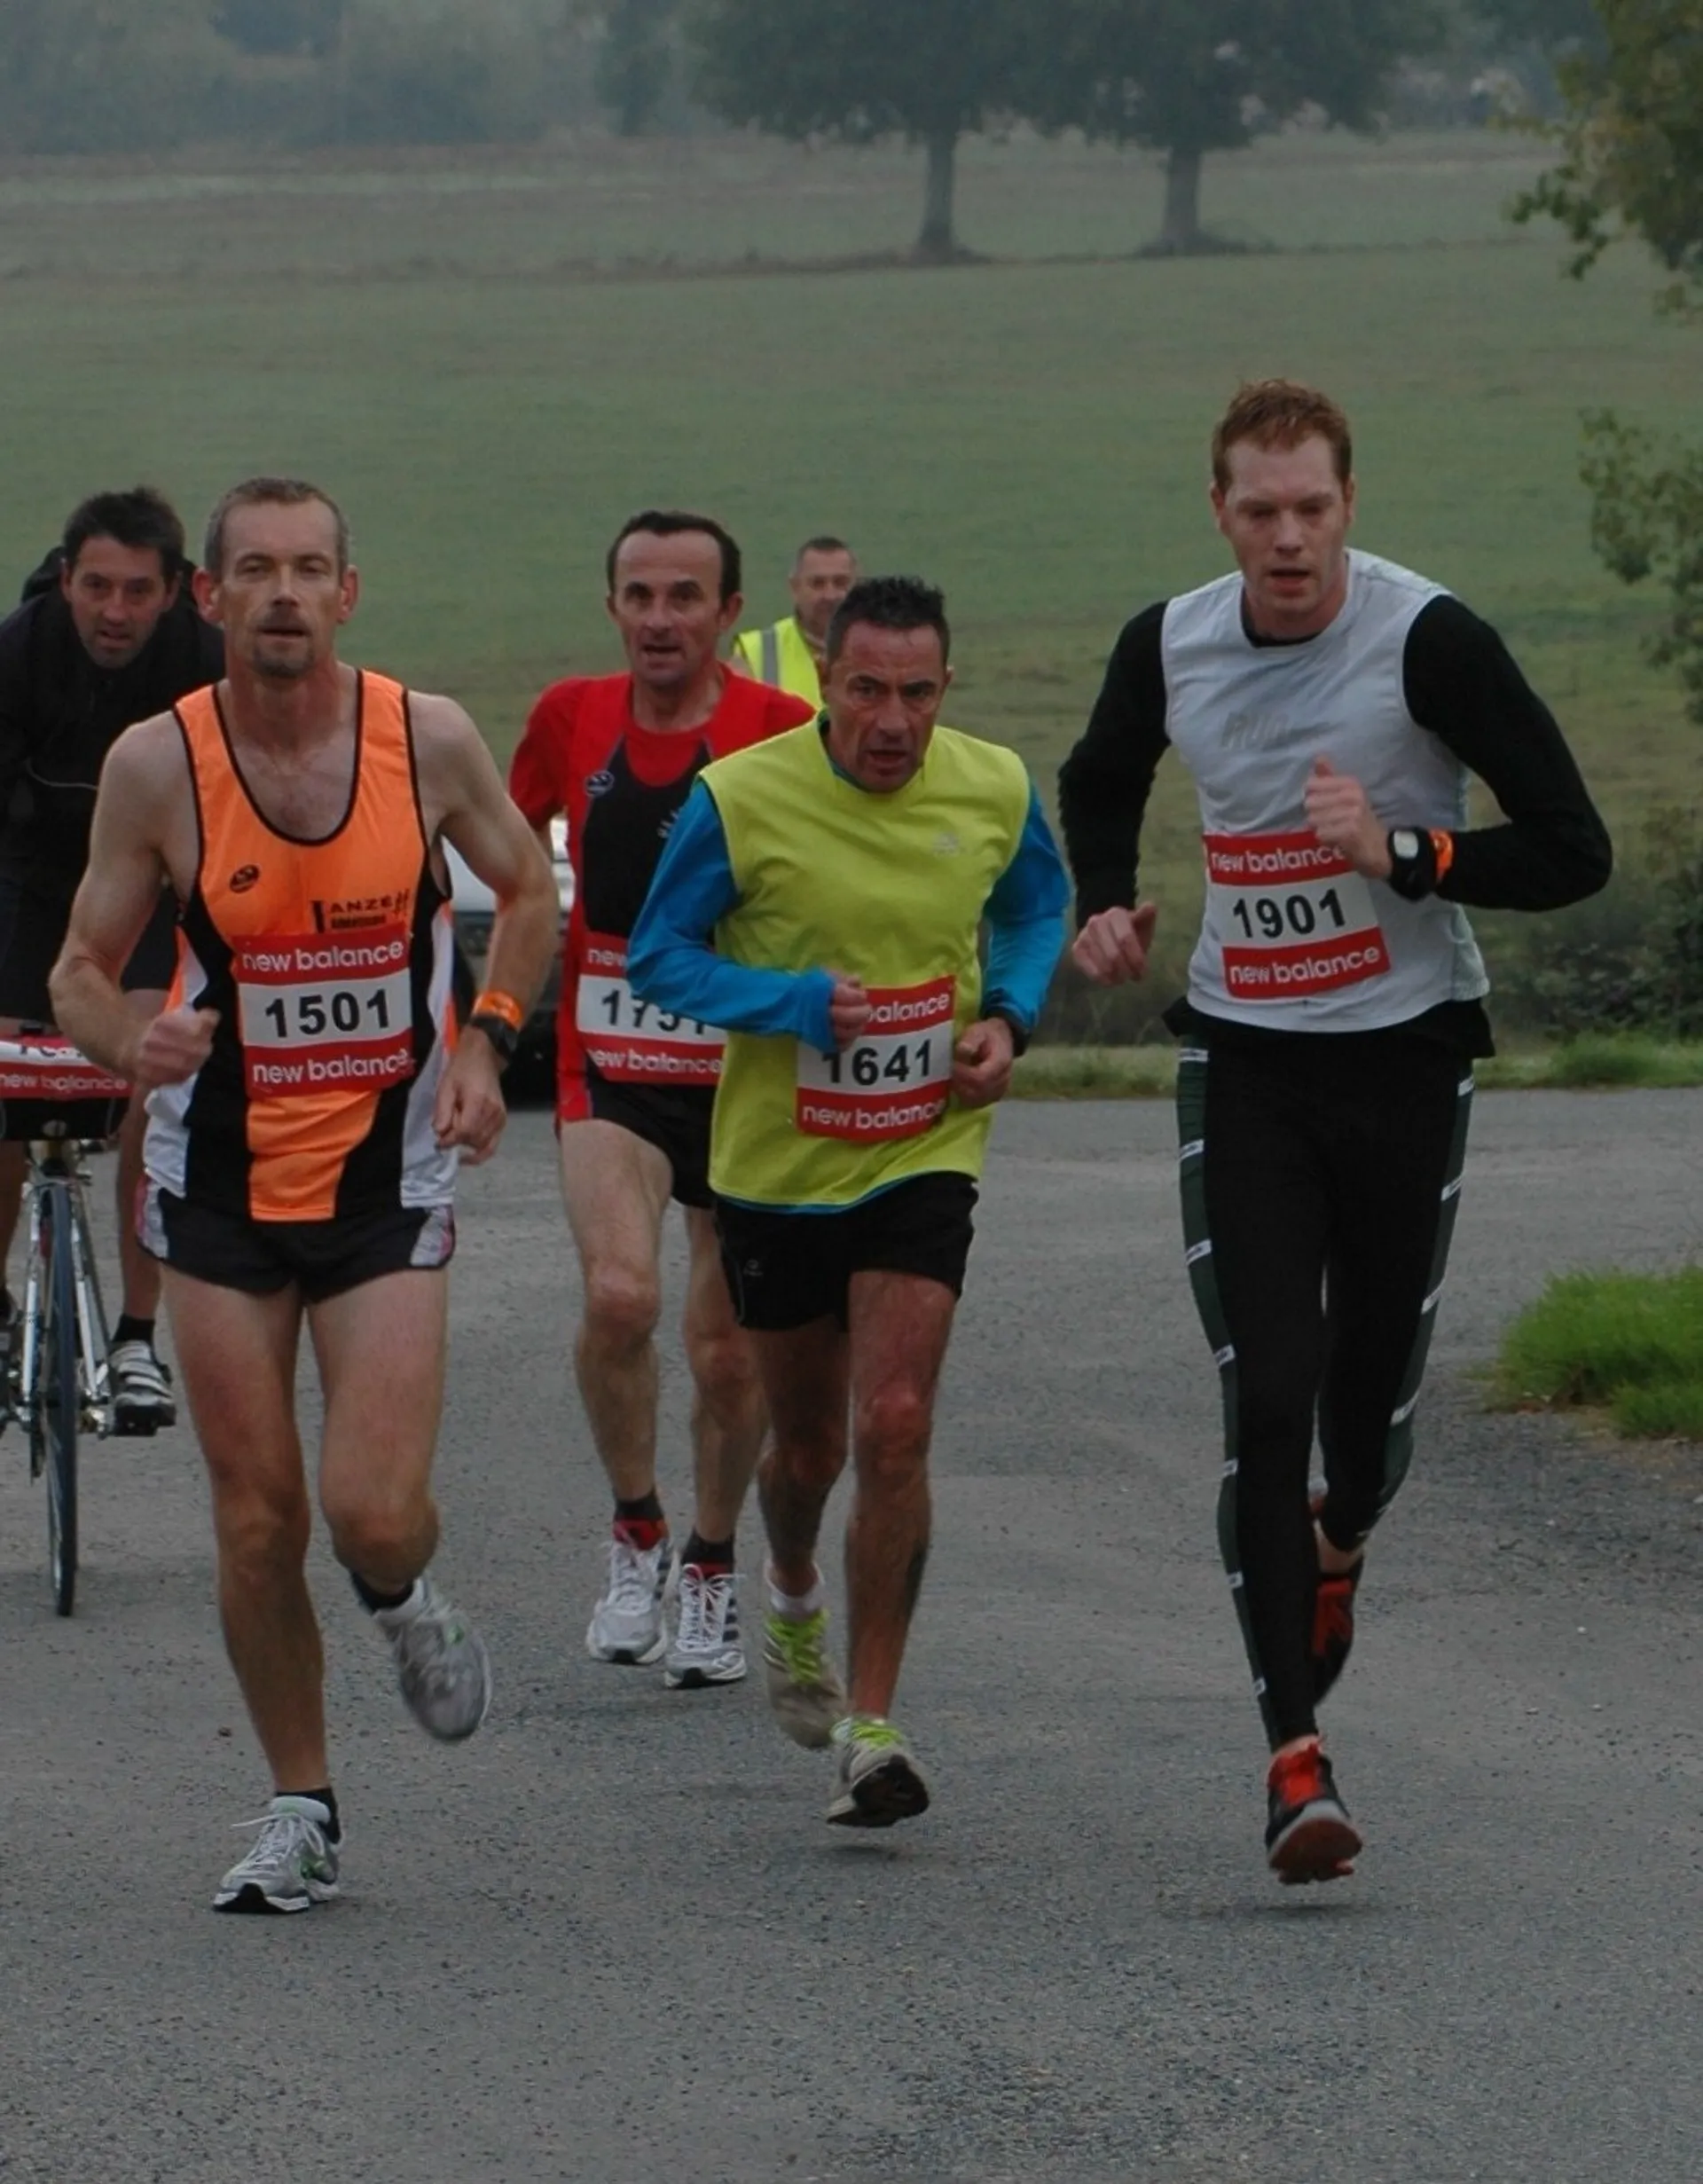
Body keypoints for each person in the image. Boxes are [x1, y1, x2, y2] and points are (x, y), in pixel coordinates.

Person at [1058, 380, 1613, 1885]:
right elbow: (1097, 778)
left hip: (1406, 1058)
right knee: (1267, 1391)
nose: (1288, 536)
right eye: (1260, 509)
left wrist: (1407, 850)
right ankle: (1294, 1761)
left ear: (1349, 506)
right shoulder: (1167, 642)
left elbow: (1573, 848)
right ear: (1220, 512)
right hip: (1246, 1059)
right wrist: (1102, 902)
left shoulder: (1429, 639)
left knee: (1361, 1413)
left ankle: (1346, 1531)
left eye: (1313, 507)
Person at [51, 476, 559, 1913]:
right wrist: (121, 1041)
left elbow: (529, 894)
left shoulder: (427, 736)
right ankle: (301, 1805)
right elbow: (82, 970)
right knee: (258, 1514)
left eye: (310, 568)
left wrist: (485, 1040)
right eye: (255, 571)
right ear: (207, 598)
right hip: (213, 1178)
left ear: (349, 590)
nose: (284, 593)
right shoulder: (160, 764)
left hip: (386, 1171)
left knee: (370, 1508)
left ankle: (401, 1599)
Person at [629, 574, 1068, 1825]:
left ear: (946, 689)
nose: (892, 718)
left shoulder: (991, 784)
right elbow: (660, 955)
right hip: (777, 1166)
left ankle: (871, 1725)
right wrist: (798, 1004)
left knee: (895, 1420)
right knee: (809, 1445)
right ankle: (787, 1585)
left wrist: (1010, 1015)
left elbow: (1035, 904)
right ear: (828, 678)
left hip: (925, 1146)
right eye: (867, 688)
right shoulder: (742, 795)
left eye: (917, 692)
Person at [508, 512, 815, 1690]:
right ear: (613, 610)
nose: (660, 618)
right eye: (639, 595)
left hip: (742, 1074)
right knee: (621, 1294)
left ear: (730, 614)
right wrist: (479, 1021)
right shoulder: (567, 718)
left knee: (730, 1354)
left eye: (686, 595)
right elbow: (500, 844)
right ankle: (636, 1527)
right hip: (612, 1059)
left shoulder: (783, 731)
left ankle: (710, 1560)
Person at [0, 487, 224, 1430]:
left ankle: (137, 1335)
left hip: (155, 881)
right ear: (64, 577)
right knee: (2, 1085)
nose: (115, 611)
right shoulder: (16, 652)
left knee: (153, 1075)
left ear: (177, 591)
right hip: (31, 873)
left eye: (139, 590)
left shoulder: (208, 667)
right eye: (96, 586)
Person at [730, 537, 859, 702]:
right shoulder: (754, 653)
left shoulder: (880, 648)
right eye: (817, 583)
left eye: (841, 583)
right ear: (795, 588)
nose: (830, 595)